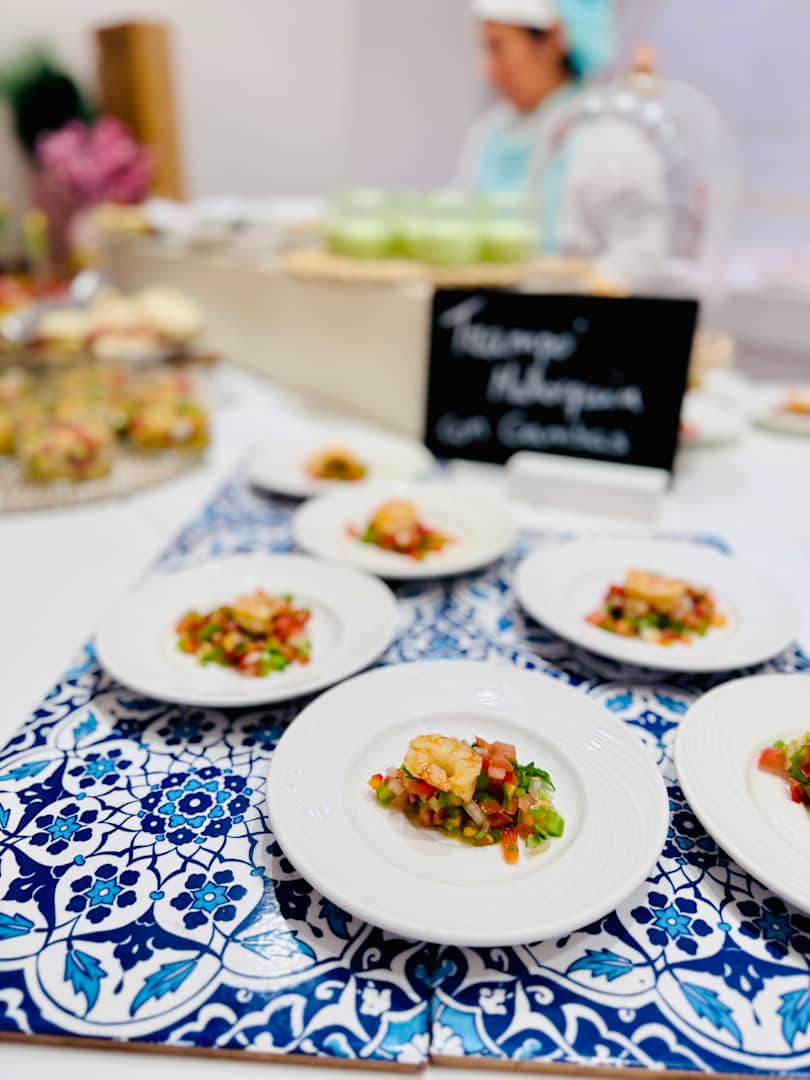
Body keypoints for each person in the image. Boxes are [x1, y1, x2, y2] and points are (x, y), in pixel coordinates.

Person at [457, 0, 670, 288]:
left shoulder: (608, 142)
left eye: (498, 47)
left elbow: (641, 256)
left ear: (552, 42)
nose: (488, 71)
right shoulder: (491, 134)